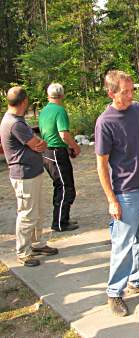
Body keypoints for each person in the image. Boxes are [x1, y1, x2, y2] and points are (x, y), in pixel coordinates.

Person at [95, 70, 139, 317]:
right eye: (126, 91)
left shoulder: (138, 109)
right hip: (126, 193)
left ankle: (138, 280)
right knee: (123, 245)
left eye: (132, 89)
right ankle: (114, 292)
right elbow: (101, 165)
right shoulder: (105, 122)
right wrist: (112, 200)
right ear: (112, 93)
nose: (131, 94)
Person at [0, 86, 58, 267]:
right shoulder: (14, 123)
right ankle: (23, 251)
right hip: (24, 175)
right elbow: (36, 144)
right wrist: (41, 143)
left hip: (32, 172)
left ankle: (36, 243)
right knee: (27, 214)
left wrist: (38, 144)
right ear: (24, 101)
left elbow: (35, 143)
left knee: (37, 211)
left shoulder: (16, 119)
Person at [39, 83, 80, 232]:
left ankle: (63, 218)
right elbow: (63, 134)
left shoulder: (44, 111)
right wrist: (74, 146)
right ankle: (60, 222)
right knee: (65, 187)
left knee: (60, 185)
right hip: (56, 151)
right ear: (62, 95)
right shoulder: (60, 110)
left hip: (47, 152)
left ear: (48, 95)